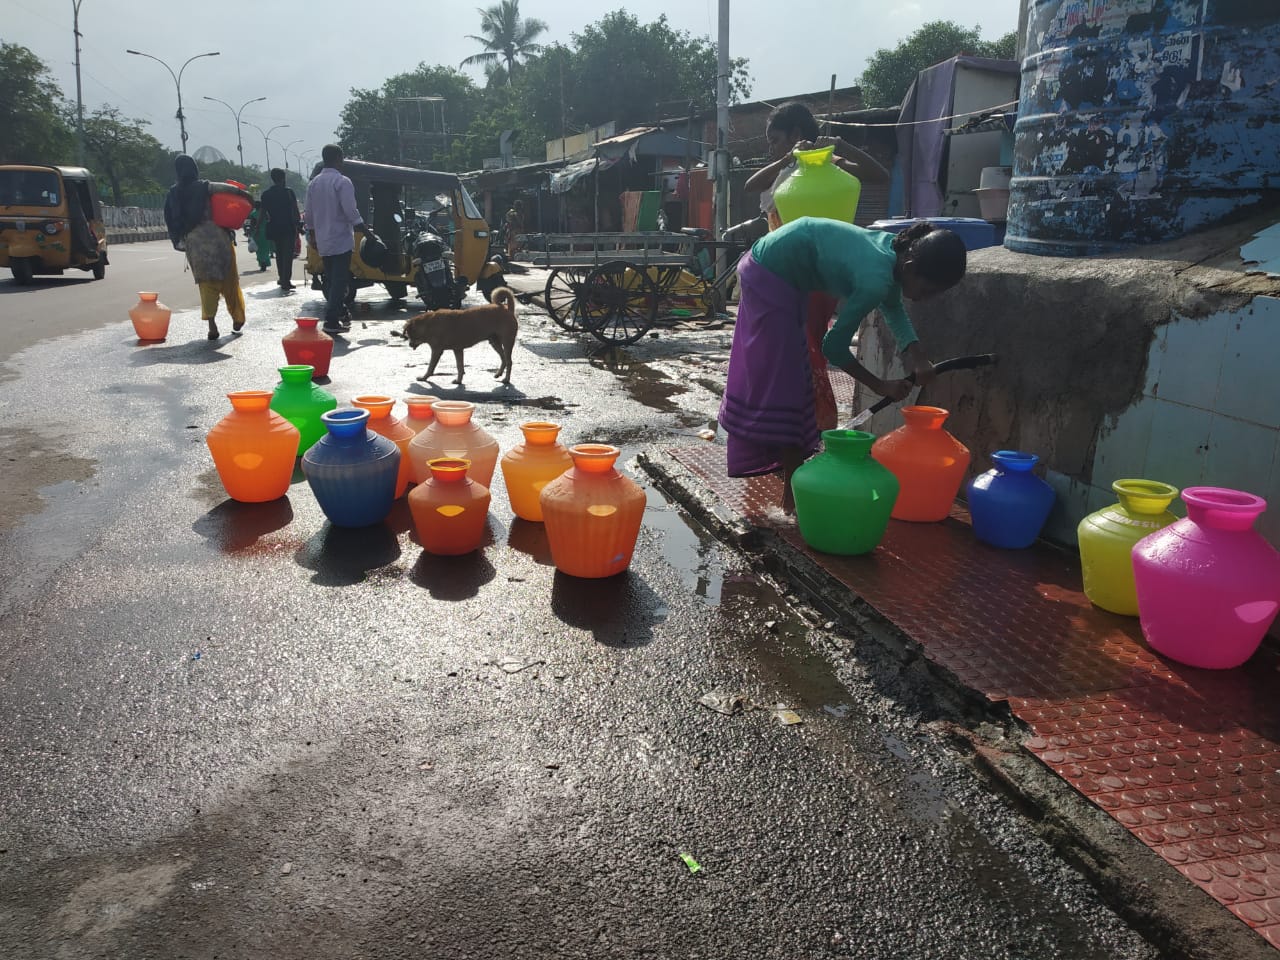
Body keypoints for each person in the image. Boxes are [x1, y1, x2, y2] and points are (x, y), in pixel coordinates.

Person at [718, 217, 966, 513]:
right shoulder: (875, 278)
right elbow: (833, 347)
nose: (925, 299)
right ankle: (792, 501)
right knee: (789, 387)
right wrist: (879, 384)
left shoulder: (893, 255)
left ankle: (789, 485)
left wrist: (918, 357)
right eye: (927, 291)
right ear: (911, 268)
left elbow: (894, 310)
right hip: (771, 273)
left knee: (795, 378)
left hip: (786, 270)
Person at [744, 102, 892, 433]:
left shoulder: (829, 163)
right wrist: (787, 158)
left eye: (775, 139)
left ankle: (808, 426)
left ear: (795, 134)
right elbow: (749, 185)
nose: (771, 147)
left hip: (810, 278)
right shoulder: (784, 168)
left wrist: (841, 146)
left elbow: (880, 176)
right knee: (788, 354)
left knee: (804, 351)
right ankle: (793, 426)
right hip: (781, 273)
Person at [163, 154, 250, 341]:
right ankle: (237, 318)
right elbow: (229, 190)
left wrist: (177, 239)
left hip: (195, 242)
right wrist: (245, 195)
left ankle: (212, 326)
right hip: (218, 237)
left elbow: (169, 218)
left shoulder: (173, 193)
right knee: (229, 281)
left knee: (206, 284)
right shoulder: (205, 187)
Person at [304, 144, 374, 334]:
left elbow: (308, 214)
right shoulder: (342, 182)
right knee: (339, 282)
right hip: (341, 239)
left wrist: (312, 235)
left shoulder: (314, 183)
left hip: (323, 241)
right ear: (338, 159)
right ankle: (331, 320)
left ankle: (341, 312)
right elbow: (351, 212)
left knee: (334, 279)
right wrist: (368, 233)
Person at [260, 167, 303, 291]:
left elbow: (262, 213)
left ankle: (282, 278)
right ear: (283, 178)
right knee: (288, 255)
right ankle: (285, 280)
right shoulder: (289, 192)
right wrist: (298, 224)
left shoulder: (267, 194)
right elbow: (295, 210)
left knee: (279, 254)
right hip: (288, 228)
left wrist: (257, 228)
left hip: (274, 228)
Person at [244, 200, 273, 272]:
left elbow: (250, 225)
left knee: (259, 250)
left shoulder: (252, 214)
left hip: (257, 234)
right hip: (266, 232)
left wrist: (248, 232)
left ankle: (262, 262)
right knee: (266, 249)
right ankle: (265, 262)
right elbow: (269, 221)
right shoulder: (266, 213)